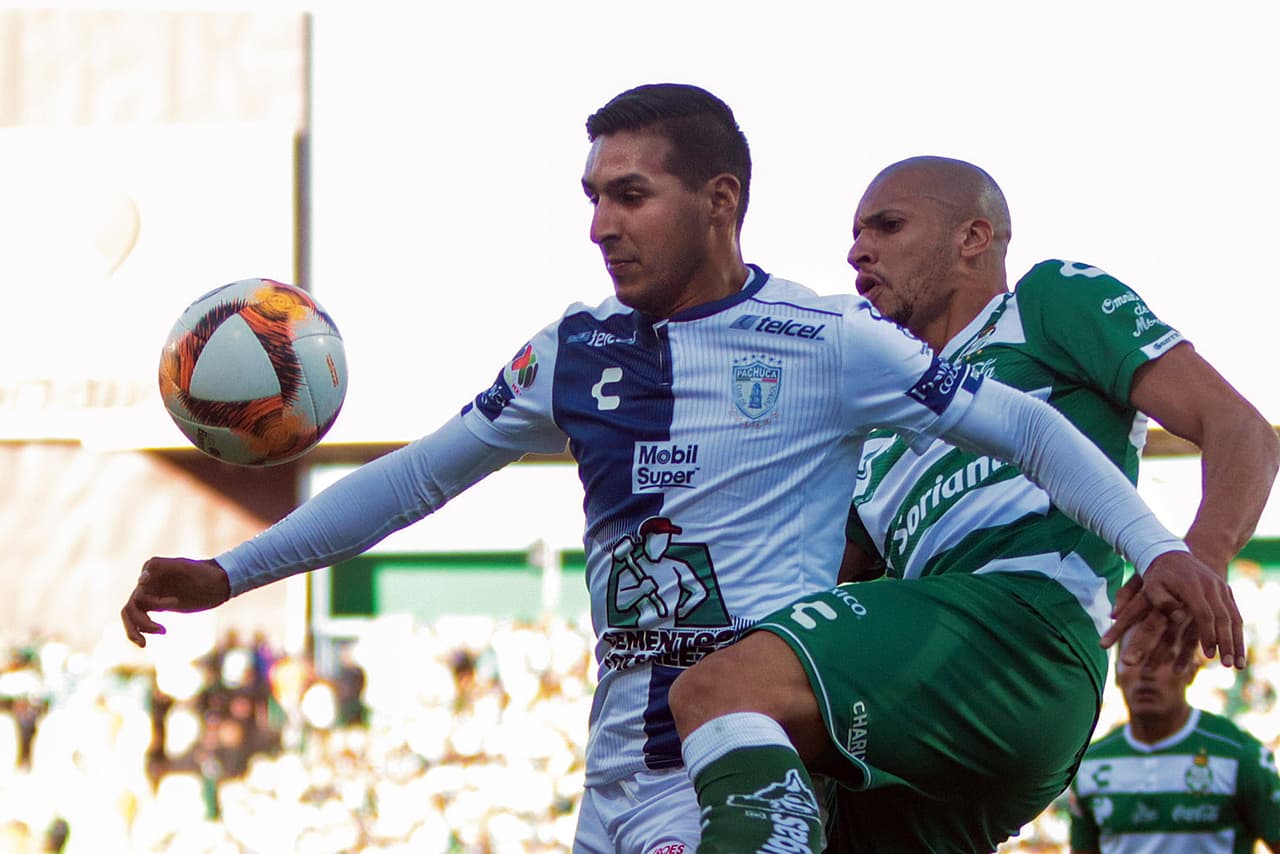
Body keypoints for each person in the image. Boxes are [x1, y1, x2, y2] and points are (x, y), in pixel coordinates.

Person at [121, 92, 1241, 853]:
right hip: (622, 754)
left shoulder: (831, 342)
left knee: (720, 688)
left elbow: (1034, 432)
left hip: (754, 733)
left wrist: (1165, 548)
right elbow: (415, 480)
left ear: (719, 201)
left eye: (629, 194)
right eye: (591, 198)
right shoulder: (571, 352)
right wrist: (230, 571)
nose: (599, 225)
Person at [668, 156, 1275, 852]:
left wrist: (1199, 558)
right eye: (855, 234)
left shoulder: (1045, 303)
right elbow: (816, 571)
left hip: (1025, 630)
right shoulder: (882, 410)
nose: (857, 251)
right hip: (941, 687)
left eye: (887, 226)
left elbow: (1242, 429)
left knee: (726, 688)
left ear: (973, 238)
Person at [1069, 631, 1280, 853]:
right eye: (1134, 657)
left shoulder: (1239, 755)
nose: (1146, 672)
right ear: (1116, 674)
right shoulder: (1090, 764)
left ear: (1191, 671)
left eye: (1163, 658)